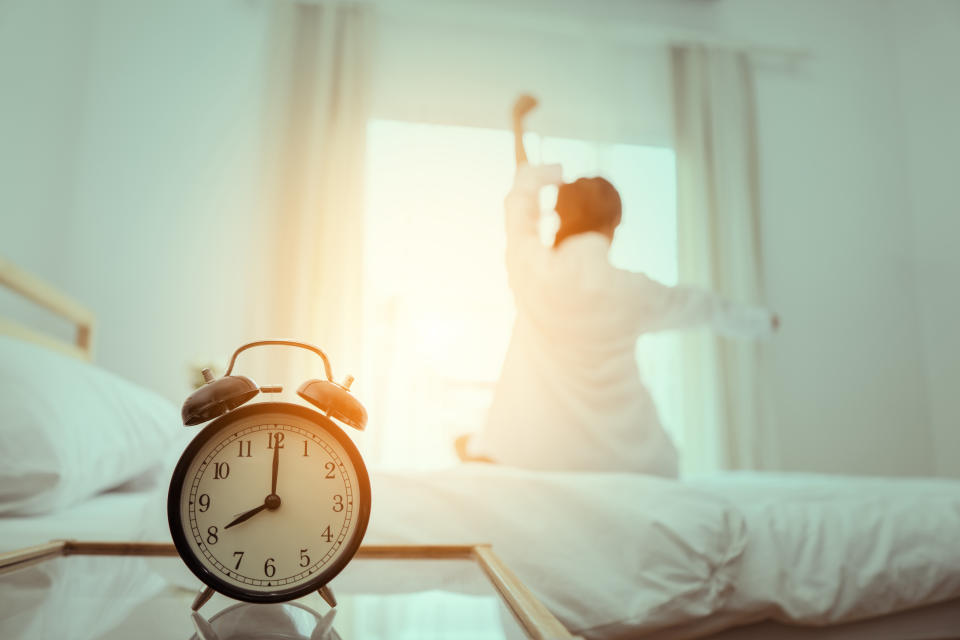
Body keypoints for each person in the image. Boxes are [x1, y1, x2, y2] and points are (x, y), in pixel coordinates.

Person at [455, 95, 778, 477]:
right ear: (613, 225)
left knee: (474, 448)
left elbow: (521, 198)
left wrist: (518, 128)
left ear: (561, 216)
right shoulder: (632, 290)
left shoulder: (532, 269)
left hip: (534, 456)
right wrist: (761, 322)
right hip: (628, 459)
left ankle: (479, 450)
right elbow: (701, 305)